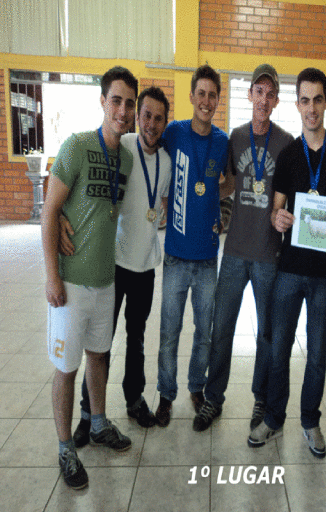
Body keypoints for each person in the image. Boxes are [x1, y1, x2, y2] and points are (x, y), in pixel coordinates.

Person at [247, 68, 326, 459]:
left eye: (317, 100)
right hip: (289, 270)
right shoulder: (289, 155)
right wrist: (277, 219)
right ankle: (274, 418)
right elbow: (275, 211)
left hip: (324, 275)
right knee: (279, 350)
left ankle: (310, 420)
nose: (311, 108)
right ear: (297, 104)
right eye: (305, 100)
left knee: (318, 355)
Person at [41, 66, 138, 490]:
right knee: (66, 368)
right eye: (116, 100)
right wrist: (52, 277)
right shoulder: (76, 146)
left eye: (129, 103)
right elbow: (50, 210)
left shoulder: (126, 159)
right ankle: (66, 447)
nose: (122, 110)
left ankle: (98, 424)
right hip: (71, 282)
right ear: (102, 101)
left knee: (99, 356)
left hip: (105, 280)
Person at [62, 87, 172, 449]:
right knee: (100, 345)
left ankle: (134, 400)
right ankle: (87, 414)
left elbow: (162, 201)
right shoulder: (121, 146)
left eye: (158, 118)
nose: (151, 123)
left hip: (145, 266)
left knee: (136, 339)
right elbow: (82, 183)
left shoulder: (167, 162)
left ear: (165, 123)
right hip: (113, 265)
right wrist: (60, 214)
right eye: (146, 115)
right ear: (137, 116)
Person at [192, 64, 294, 432]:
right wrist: (201, 200)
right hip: (234, 252)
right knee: (221, 329)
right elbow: (228, 184)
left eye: (270, 93)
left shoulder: (287, 143)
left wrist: (288, 217)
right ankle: (213, 398)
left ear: (276, 100)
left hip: (268, 254)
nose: (263, 99)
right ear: (249, 95)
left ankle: (261, 399)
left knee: (266, 333)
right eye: (258, 91)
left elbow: (291, 194)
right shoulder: (234, 137)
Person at [155, 65, 229, 427]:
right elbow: (151, 159)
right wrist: (161, 197)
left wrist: (217, 202)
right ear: (191, 96)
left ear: (217, 100)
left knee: (204, 333)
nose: (206, 101)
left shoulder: (223, 141)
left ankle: (196, 387)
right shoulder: (173, 132)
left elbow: (229, 182)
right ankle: (165, 394)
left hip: (207, 258)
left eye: (212, 95)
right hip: (175, 256)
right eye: (201, 93)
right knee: (169, 332)